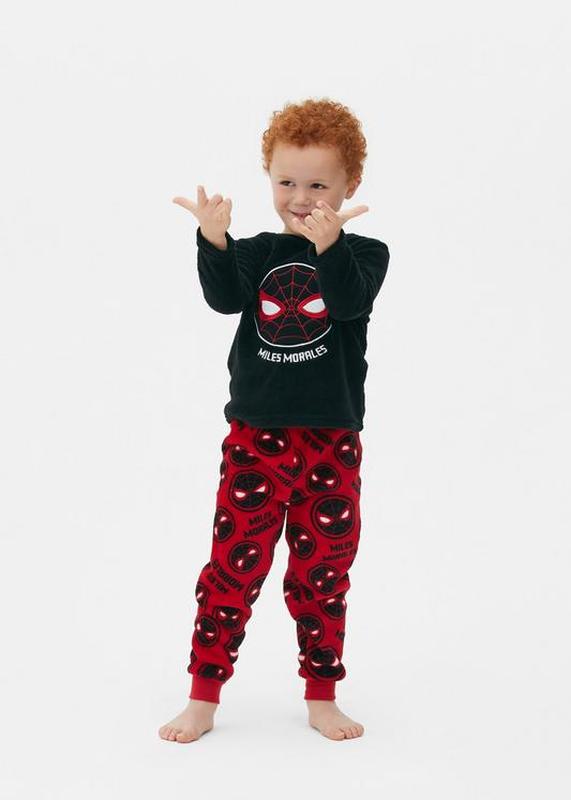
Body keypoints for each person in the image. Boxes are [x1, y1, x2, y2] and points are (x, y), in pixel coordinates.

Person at [159, 98, 390, 743]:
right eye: (287, 182)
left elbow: (346, 302)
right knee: (231, 569)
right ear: (268, 178)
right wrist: (213, 241)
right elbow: (222, 298)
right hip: (254, 439)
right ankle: (203, 696)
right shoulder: (256, 252)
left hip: (331, 442)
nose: (301, 198)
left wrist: (330, 246)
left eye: (319, 185)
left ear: (349, 186)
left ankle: (322, 693)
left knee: (324, 572)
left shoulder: (365, 254)